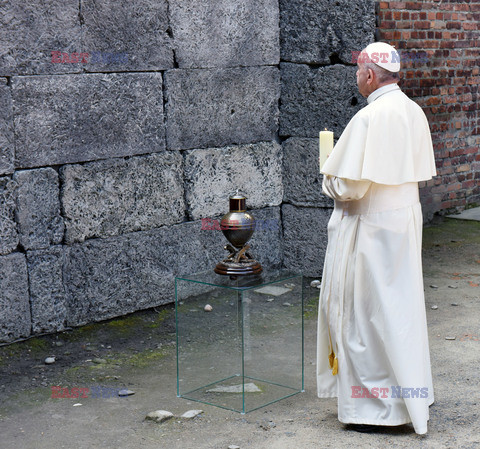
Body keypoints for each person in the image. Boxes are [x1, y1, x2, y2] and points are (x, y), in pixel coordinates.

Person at [316, 42, 436, 435]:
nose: (356, 77)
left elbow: (348, 187)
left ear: (369, 74)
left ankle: (375, 409)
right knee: (400, 307)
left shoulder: (369, 118)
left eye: (357, 71)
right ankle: (411, 394)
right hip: (403, 221)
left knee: (364, 315)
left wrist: (328, 173)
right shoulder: (413, 111)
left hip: (371, 227)